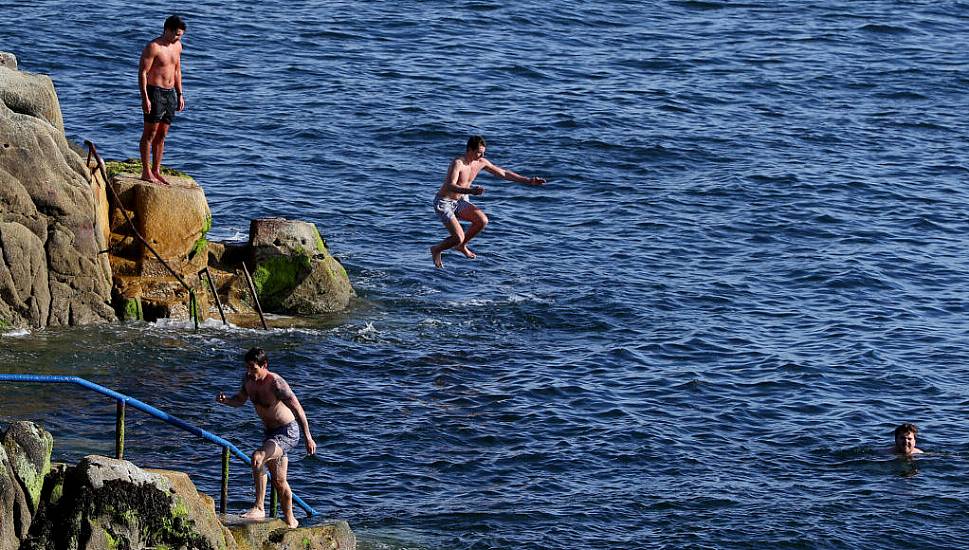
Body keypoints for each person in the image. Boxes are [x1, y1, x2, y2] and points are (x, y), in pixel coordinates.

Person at [216, 347, 317, 528]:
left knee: (257, 457)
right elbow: (240, 400)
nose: (249, 372)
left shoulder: (276, 383)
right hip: (270, 434)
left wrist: (308, 437)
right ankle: (291, 521)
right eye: (247, 367)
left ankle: (259, 507)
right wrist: (226, 401)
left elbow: (297, 408)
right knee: (279, 481)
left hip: (287, 432)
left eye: (253, 368)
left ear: (264, 365)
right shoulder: (248, 380)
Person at [430, 135, 546, 268]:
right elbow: (449, 185)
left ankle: (461, 246)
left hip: (460, 201)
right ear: (469, 149)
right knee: (458, 237)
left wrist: (528, 181)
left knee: (482, 221)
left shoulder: (481, 163)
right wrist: (471, 191)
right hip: (444, 202)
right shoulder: (458, 163)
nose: (481, 155)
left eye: (483, 152)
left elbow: (503, 173)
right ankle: (437, 249)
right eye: (479, 152)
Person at [138, 15, 186, 184]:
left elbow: (177, 70)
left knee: (162, 134)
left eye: (180, 35)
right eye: (176, 34)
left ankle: (156, 170)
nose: (178, 38)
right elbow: (143, 73)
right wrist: (145, 98)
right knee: (150, 133)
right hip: (154, 92)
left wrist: (180, 94)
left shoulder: (178, 46)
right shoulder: (154, 47)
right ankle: (145, 171)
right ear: (167, 30)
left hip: (170, 93)